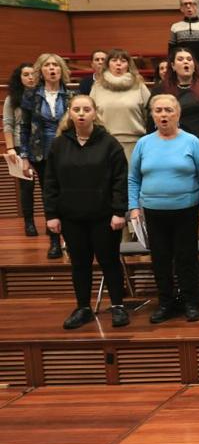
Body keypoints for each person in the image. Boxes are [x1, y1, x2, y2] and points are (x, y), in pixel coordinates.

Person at [44, 95, 129, 330]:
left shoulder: (109, 143)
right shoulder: (59, 145)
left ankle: (118, 307)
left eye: (86, 109)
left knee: (109, 261)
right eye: (77, 109)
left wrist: (119, 211)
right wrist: (51, 214)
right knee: (79, 264)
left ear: (95, 113)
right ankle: (83, 308)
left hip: (104, 217)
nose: (81, 114)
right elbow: (50, 181)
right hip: (72, 217)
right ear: (69, 113)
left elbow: (120, 180)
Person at [129, 93, 199, 323]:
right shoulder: (143, 143)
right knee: (160, 260)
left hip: (186, 210)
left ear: (178, 114)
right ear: (152, 115)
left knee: (186, 259)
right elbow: (133, 178)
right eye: (158, 110)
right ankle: (165, 302)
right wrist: (133, 207)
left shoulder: (192, 141)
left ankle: (191, 303)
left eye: (168, 110)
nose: (163, 115)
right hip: (154, 212)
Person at [19, 53, 71, 259]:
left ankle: (70, 239)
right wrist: (24, 157)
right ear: (41, 70)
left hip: (66, 151)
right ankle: (54, 242)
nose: (52, 69)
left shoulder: (70, 94)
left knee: (67, 196)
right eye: (48, 65)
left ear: (61, 70)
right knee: (49, 197)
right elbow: (24, 128)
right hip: (40, 153)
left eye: (56, 65)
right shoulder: (31, 95)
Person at [88, 48, 150, 165]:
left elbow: (150, 113)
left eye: (123, 60)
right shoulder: (97, 86)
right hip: (105, 143)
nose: (118, 63)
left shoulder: (139, 85)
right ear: (108, 64)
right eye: (114, 60)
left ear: (128, 65)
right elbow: (91, 115)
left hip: (135, 143)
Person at [4, 63, 39, 236]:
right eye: (26, 74)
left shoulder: (43, 95)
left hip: (43, 146)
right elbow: (8, 124)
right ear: (20, 78)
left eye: (33, 74)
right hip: (20, 145)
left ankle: (51, 222)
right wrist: (10, 148)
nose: (30, 77)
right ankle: (29, 223)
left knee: (49, 186)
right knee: (27, 188)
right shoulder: (12, 98)